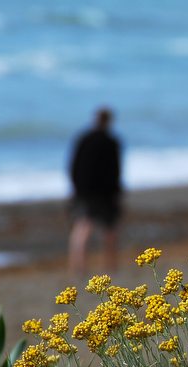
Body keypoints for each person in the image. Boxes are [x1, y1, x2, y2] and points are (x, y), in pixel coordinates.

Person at [67, 107, 123, 276]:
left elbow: (73, 166)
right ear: (109, 121)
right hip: (105, 193)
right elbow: (115, 170)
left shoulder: (83, 139)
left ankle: (78, 268)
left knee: (83, 227)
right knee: (109, 230)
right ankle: (110, 268)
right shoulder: (111, 141)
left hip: (85, 191)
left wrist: (76, 188)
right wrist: (116, 192)